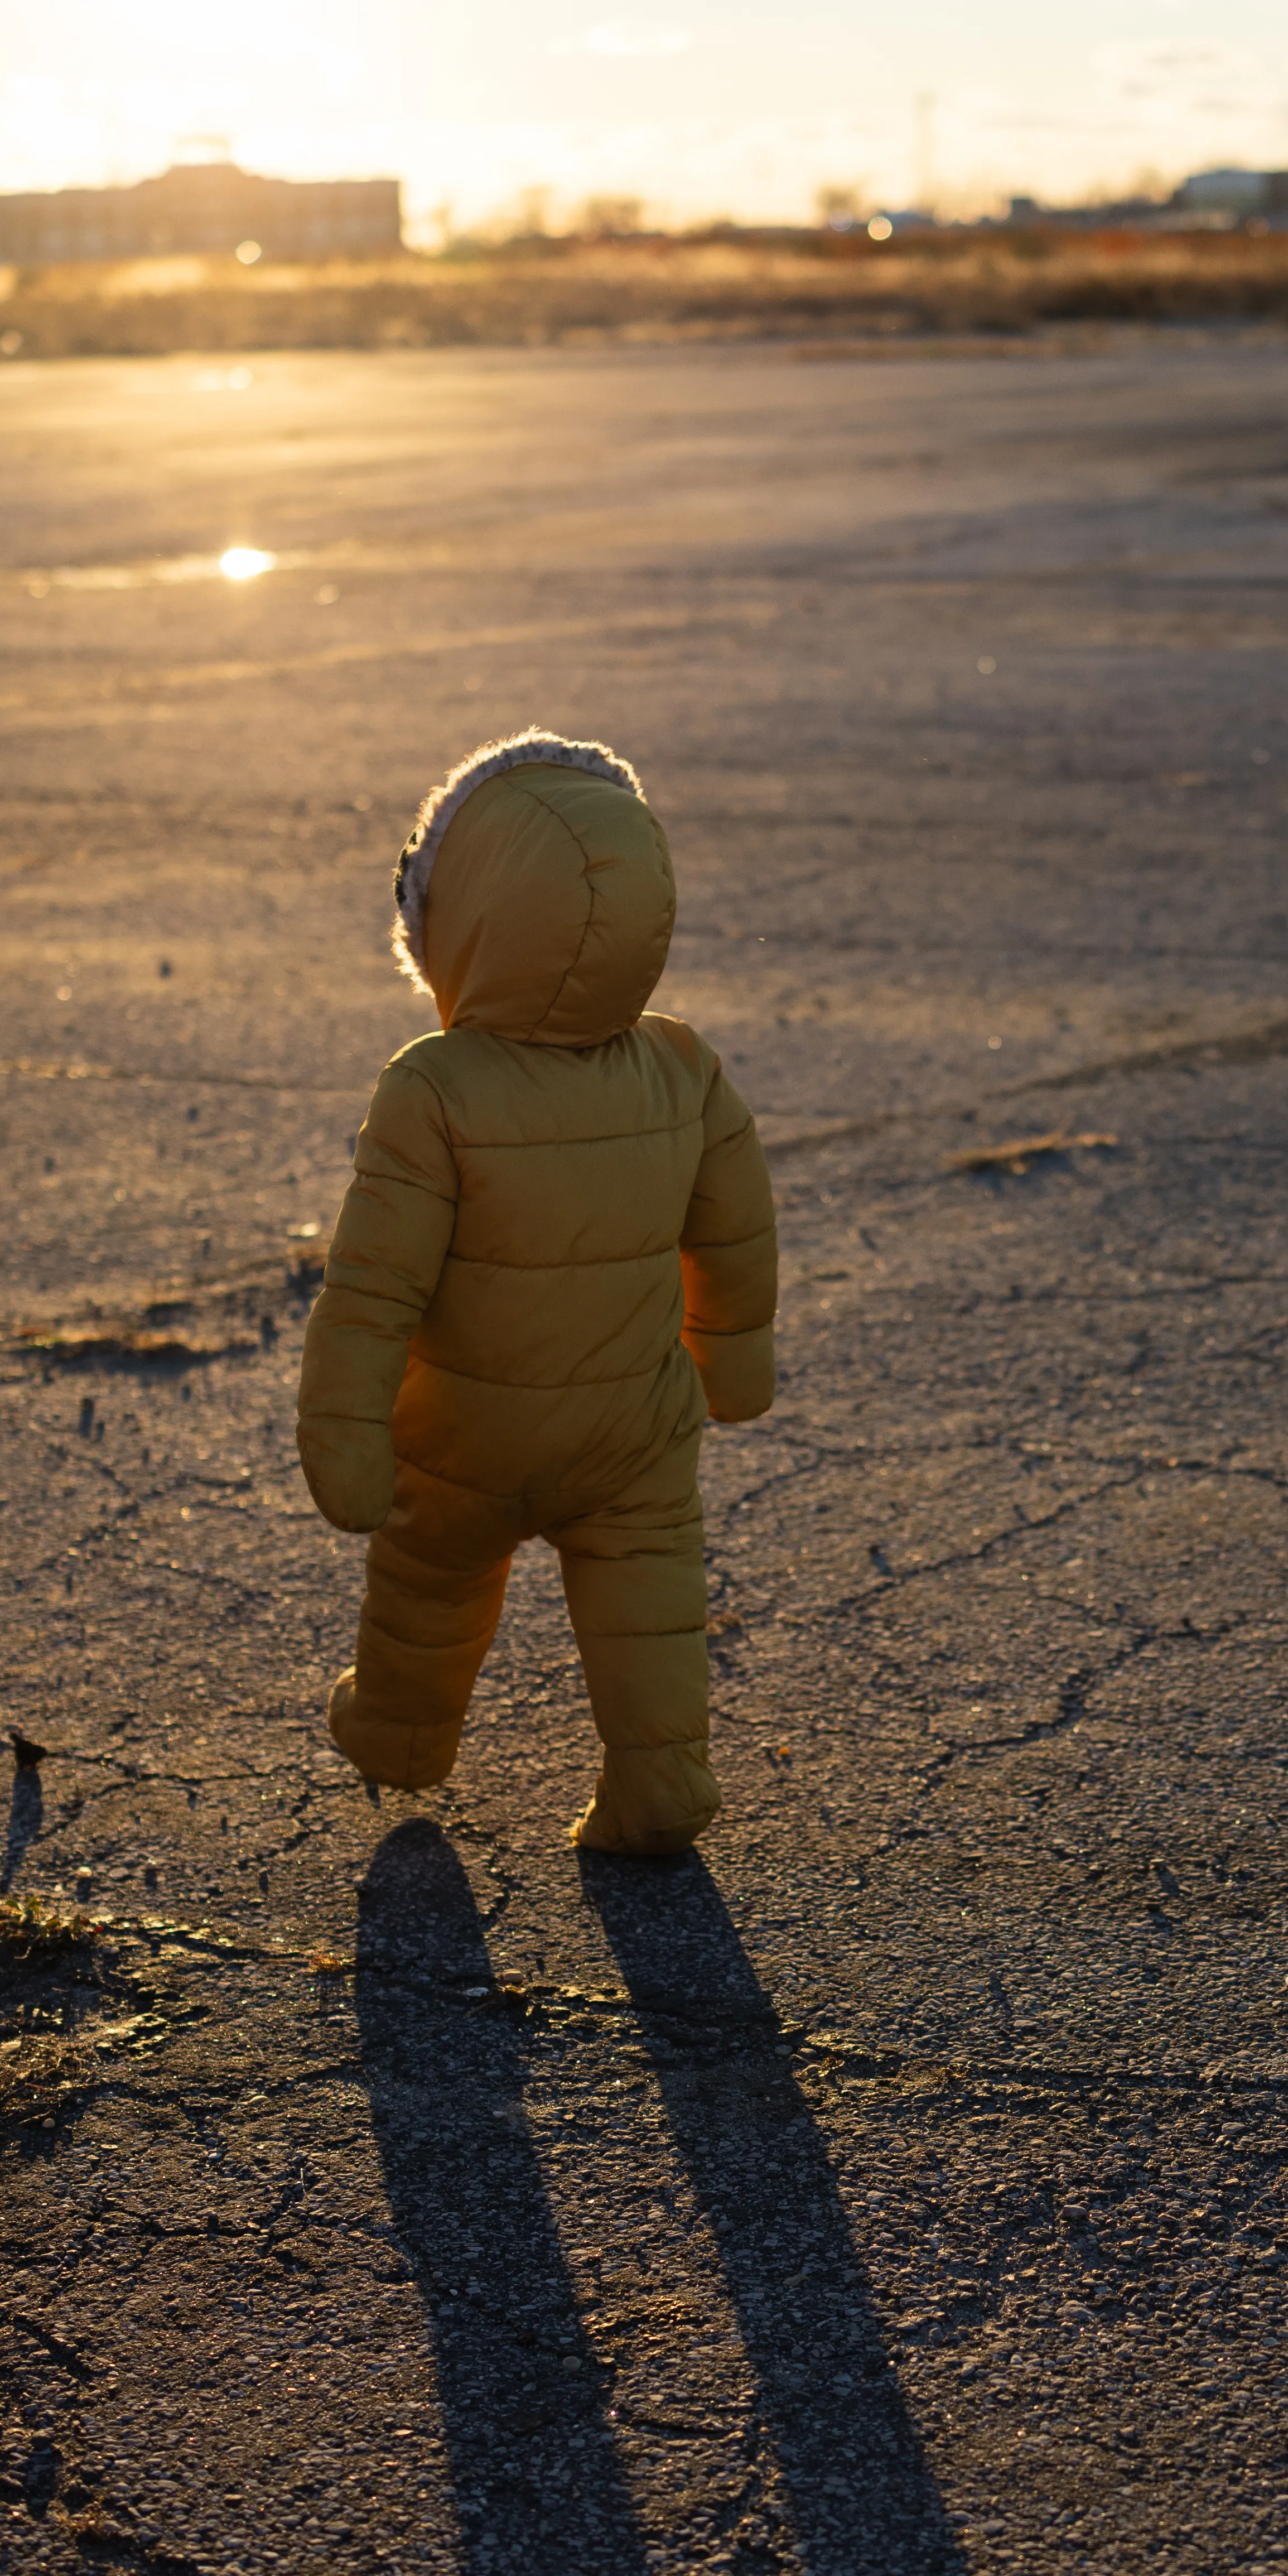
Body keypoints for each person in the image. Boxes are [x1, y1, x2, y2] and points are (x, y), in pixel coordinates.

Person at [298, 731, 779, 1851]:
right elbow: (737, 1229)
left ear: (458, 918)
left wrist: (348, 1439)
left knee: (428, 1576)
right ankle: (659, 1787)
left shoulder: (434, 1087)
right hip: (634, 1430)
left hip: (470, 1434)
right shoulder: (682, 1066)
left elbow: (373, 1286)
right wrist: (734, 1361)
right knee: (649, 1598)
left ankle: (401, 1737)